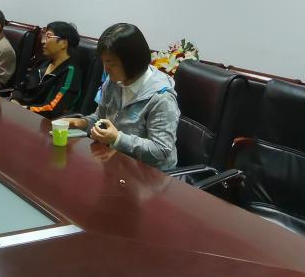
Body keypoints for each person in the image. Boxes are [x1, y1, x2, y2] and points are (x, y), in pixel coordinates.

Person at [67, 23, 180, 171]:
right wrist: (81, 123)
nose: (106, 69)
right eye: (104, 62)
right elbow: (101, 119)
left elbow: (161, 150)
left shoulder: (161, 98)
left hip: (150, 174)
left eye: (111, 64)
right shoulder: (113, 82)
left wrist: (118, 139)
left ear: (132, 62)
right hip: (117, 162)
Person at [11, 22, 83, 118]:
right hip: (19, 112)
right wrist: (14, 100)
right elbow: (20, 87)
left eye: (48, 36)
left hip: (41, 120)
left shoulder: (70, 72)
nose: (43, 41)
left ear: (63, 43)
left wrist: (23, 109)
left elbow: (53, 108)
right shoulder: (43, 63)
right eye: (44, 36)